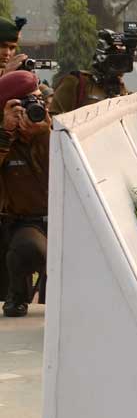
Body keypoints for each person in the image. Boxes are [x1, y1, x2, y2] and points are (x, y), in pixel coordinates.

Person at [0, 71, 50, 317]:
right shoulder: (4, 140)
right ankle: (17, 294)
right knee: (29, 248)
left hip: (67, 218)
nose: (36, 107)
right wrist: (6, 133)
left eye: (39, 99)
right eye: (27, 103)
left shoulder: (55, 130)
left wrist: (46, 131)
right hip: (27, 223)